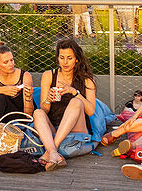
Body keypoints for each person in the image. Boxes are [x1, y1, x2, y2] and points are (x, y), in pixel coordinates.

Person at [31, 39, 97, 168]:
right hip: (54, 126)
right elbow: (44, 110)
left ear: (77, 59)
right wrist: (48, 99)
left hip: (77, 128)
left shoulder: (87, 80)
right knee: (37, 112)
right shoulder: (49, 76)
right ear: (57, 58)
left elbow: (91, 111)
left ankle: (50, 151)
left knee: (76, 102)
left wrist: (75, 92)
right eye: (62, 57)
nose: (65, 62)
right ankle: (54, 153)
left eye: (69, 58)